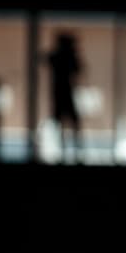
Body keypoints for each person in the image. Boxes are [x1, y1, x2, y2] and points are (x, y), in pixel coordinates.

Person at [45, 32, 83, 161]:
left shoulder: (63, 57)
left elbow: (78, 69)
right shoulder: (60, 56)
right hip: (61, 94)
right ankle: (66, 152)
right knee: (65, 123)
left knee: (71, 123)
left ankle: (73, 152)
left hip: (64, 93)